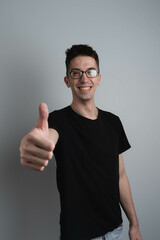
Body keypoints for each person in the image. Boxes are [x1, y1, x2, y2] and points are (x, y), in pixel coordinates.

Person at [20, 44, 143, 240]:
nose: (84, 78)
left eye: (90, 71)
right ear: (67, 80)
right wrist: (36, 143)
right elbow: (48, 136)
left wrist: (134, 224)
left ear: (99, 78)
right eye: (76, 73)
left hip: (114, 230)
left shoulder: (113, 122)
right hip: (79, 235)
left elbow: (120, 177)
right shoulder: (56, 121)